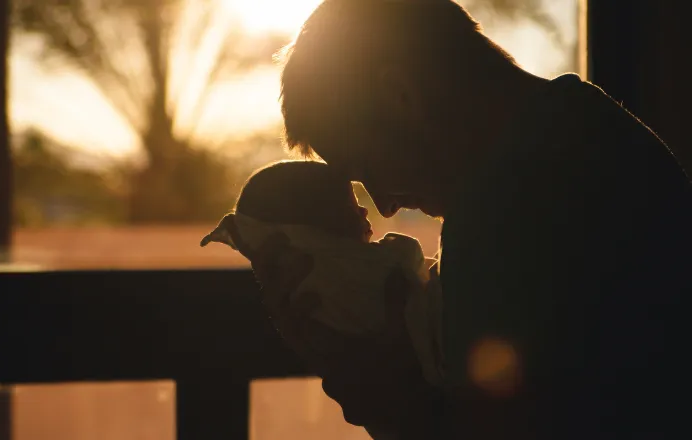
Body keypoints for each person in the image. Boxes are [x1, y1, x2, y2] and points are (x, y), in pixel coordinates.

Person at [247, 0, 692, 439]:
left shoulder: (504, 210)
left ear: (402, 95)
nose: (383, 206)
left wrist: (374, 391)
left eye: (368, 168)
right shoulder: (593, 131)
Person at [200, 161, 444, 402]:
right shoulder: (351, 272)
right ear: (313, 232)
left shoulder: (300, 290)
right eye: (350, 207)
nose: (368, 210)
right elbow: (409, 265)